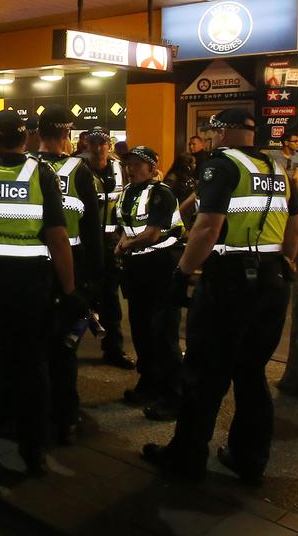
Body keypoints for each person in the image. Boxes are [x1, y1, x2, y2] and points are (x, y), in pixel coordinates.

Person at [142, 107, 298, 485]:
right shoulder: (278, 171)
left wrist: (181, 274)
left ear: (225, 131)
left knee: (204, 373)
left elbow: (206, 228)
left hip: (230, 281)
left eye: (211, 131)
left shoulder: (222, 165)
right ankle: (249, 458)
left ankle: (186, 456)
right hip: (272, 281)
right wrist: (283, 264)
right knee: (251, 372)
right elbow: (295, 230)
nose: (210, 138)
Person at [0, 109, 81, 476]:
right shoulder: (42, 174)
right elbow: (58, 237)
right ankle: (33, 452)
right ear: (27, 140)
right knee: (32, 369)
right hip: (31, 287)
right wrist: (70, 291)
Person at [33, 106, 103, 445]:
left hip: (34, 269)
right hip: (70, 269)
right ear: (67, 134)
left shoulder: (28, 168)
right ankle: (65, 417)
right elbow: (92, 230)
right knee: (64, 348)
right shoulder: (80, 171)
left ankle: (34, 415)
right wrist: (93, 283)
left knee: (34, 349)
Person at [114, 146, 185, 421]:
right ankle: (149, 383)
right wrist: (122, 240)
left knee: (163, 332)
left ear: (151, 167)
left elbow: (153, 233)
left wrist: (124, 246)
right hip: (137, 267)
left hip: (161, 266)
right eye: (128, 164)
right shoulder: (128, 192)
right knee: (141, 328)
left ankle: (173, 393)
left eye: (136, 164)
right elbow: (125, 226)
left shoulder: (161, 193)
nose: (130, 168)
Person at [84, 127, 136, 370]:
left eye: (102, 143)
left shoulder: (119, 169)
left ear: (109, 145)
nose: (98, 148)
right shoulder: (78, 169)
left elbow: (126, 204)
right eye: (93, 143)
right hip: (84, 243)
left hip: (110, 241)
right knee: (79, 294)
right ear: (87, 144)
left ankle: (113, 349)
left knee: (110, 297)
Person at [163, 152, 199, 230]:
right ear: (186, 165)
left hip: (188, 215)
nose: (195, 165)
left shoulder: (189, 177)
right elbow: (166, 197)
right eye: (193, 163)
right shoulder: (172, 178)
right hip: (177, 215)